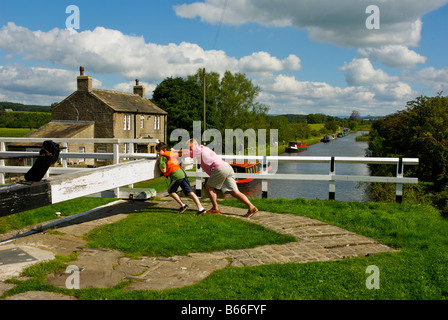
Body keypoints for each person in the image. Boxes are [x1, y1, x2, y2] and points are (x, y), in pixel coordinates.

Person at [176, 139, 258, 218]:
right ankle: (251, 207)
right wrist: (178, 151)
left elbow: (186, 154)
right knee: (234, 192)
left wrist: (173, 151)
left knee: (209, 187)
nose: (190, 149)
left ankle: (215, 208)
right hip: (227, 167)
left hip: (220, 169)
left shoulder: (198, 150)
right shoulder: (203, 148)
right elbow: (187, 152)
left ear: (195, 144)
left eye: (190, 147)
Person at [156, 142, 205, 216]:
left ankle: (183, 205)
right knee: (190, 192)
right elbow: (185, 152)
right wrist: (175, 150)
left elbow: (164, 170)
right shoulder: (171, 153)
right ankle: (201, 208)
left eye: (159, 151)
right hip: (182, 172)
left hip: (176, 175)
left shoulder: (162, 157)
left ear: (164, 150)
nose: (158, 152)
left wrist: (159, 163)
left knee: (171, 191)